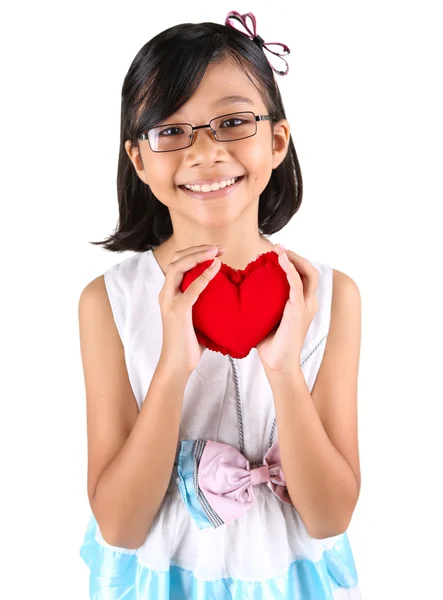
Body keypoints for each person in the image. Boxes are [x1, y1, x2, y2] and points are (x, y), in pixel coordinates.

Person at [78, 9, 362, 599]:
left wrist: (283, 370)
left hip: (288, 579)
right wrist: (173, 369)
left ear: (277, 139)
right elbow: (120, 525)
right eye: (171, 130)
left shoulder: (331, 296)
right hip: (165, 580)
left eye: (231, 122)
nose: (204, 153)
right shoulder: (109, 302)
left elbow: (330, 517)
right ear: (139, 158)